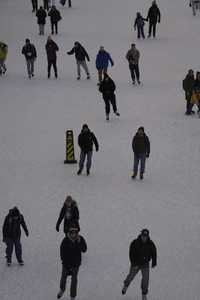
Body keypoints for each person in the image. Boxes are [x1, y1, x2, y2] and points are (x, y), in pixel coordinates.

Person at [122, 229, 157, 300]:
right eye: (143, 236)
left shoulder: (150, 244)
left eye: (145, 236)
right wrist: (134, 263)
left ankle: (144, 294)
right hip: (136, 263)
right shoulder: (135, 243)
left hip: (145, 264)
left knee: (146, 279)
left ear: (147, 236)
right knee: (131, 276)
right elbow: (131, 253)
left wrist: (154, 261)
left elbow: (154, 252)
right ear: (141, 235)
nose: (144, 238)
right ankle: (126, 285)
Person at [57, 224, 87, 300]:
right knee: (63, 277)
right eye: (72, 232)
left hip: (75, 265)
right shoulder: (65, 241)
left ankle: (72, 296)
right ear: (69, 232)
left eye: (75, 232)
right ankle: (62, 289)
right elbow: (62, 253)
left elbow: (84, 249)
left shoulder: (80, 239)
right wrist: (65, 263)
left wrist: (80, 242)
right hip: (66, 264)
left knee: (74, 280)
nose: (74, 234)